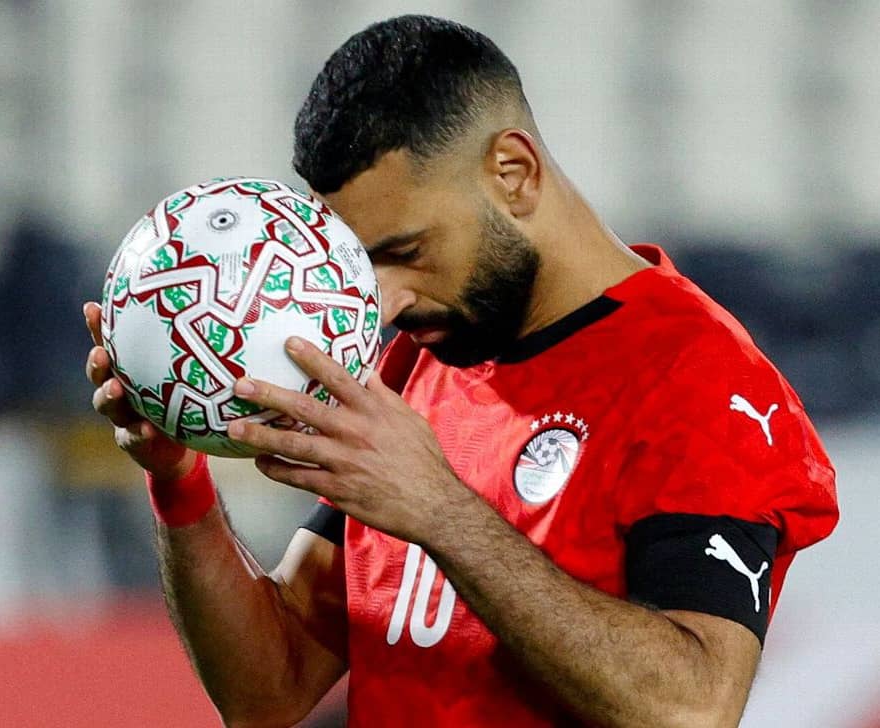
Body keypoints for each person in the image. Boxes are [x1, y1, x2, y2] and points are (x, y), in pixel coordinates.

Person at [83, 15, 838, 728]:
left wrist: (439, 511)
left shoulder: (699, 379)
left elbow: (692, 708)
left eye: (404, 252)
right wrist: (179, 480)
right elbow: (268, 689)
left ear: (513, 172)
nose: (383, 304)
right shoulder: (412, 361)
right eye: (361, 264)